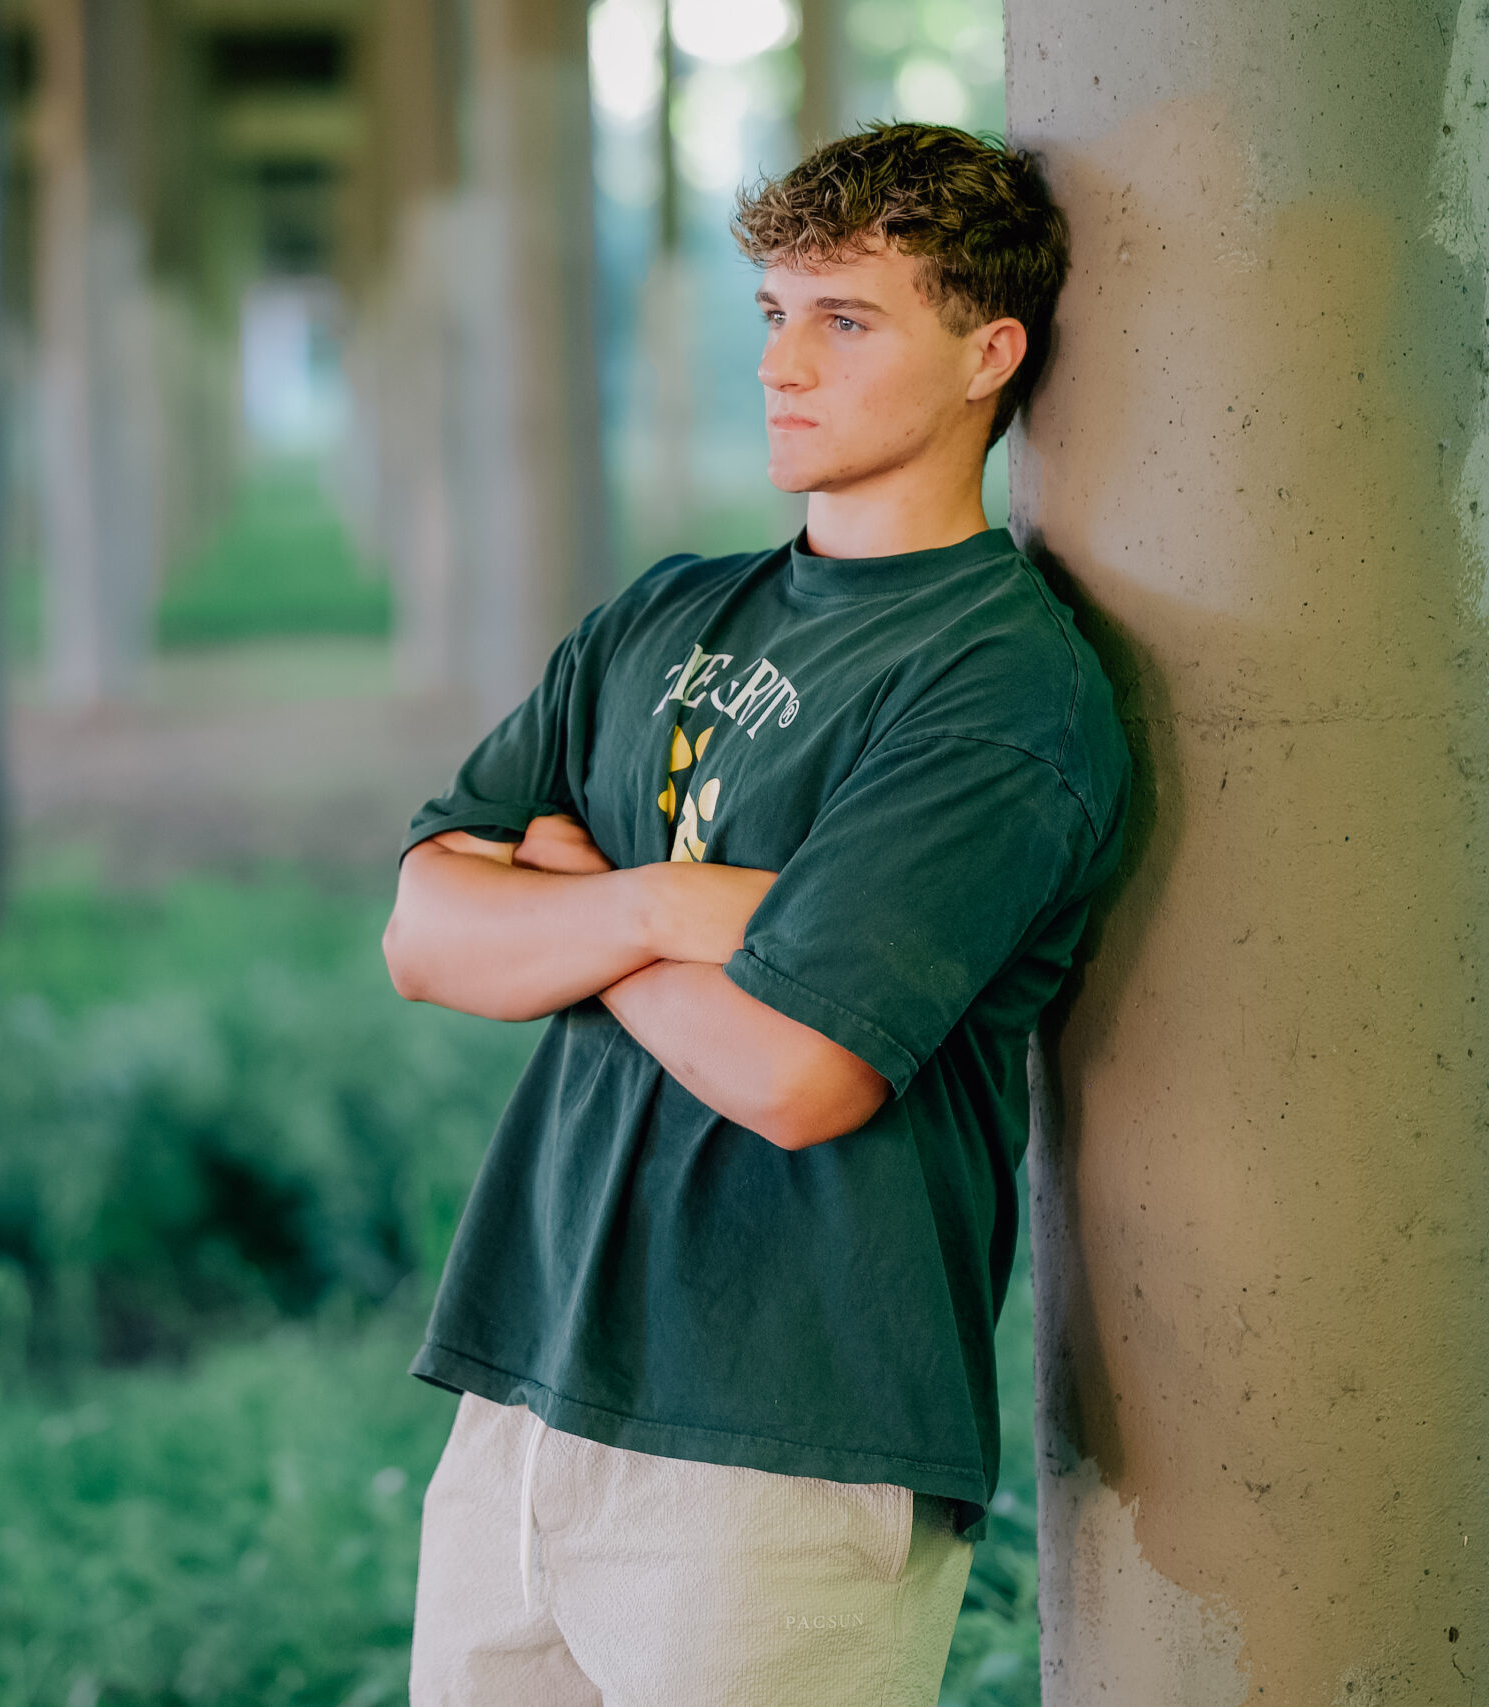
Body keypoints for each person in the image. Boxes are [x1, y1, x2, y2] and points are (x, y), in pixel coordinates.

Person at [380, 122, 1128, 1705]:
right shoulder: (664, 610)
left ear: (990, 352)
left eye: (845, 320)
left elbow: (800, 1074)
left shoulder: (998, 686)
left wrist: (575, 911)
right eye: (774, 314)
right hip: (525, 1392)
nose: (784, 362)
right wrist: (667, 905)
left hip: (785, 1440)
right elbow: (425, 934)